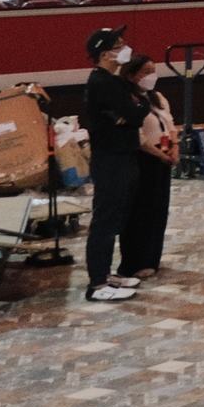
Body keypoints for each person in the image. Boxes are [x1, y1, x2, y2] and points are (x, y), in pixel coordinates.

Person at [78, 26, 144, 302]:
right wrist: (131, 112)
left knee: (115, 217)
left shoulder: (113, 80)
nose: (125, 48)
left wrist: (131, 111)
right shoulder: (101, 82)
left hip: (123, 155)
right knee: (104, 221)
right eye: (119, 45)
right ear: (105, 54)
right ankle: (96, 285)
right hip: (110, 160)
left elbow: (136, 108)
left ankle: (106, 275)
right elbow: (137, 113)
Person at [119, 54, 177, 280]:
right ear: (132, 75)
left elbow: (170, 124)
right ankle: (134, 261)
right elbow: (138, 137)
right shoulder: (129, 100)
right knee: (139, 212)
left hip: (164, 155)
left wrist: (174, 148)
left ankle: (152, 258)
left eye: (154, 70)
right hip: (144, 158)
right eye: (146, 72)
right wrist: (159, 155)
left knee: (158, 210)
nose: (151, 76)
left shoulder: (158, 98)